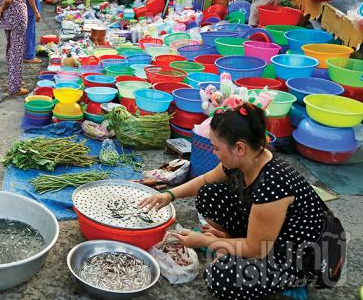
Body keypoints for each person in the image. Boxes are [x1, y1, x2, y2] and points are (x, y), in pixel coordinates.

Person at [139, 103, 327, 300]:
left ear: (239, 148)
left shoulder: (272, 187)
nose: (213, 153)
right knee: (209, 193)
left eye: (216, 148)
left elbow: (257, 248)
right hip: (268, 236)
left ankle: (287, 277)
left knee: (220, 277)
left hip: (296, 256)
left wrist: (206, 241)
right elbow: (204, 180)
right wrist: (168, 195)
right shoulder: (247, 158)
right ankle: (230, 243)